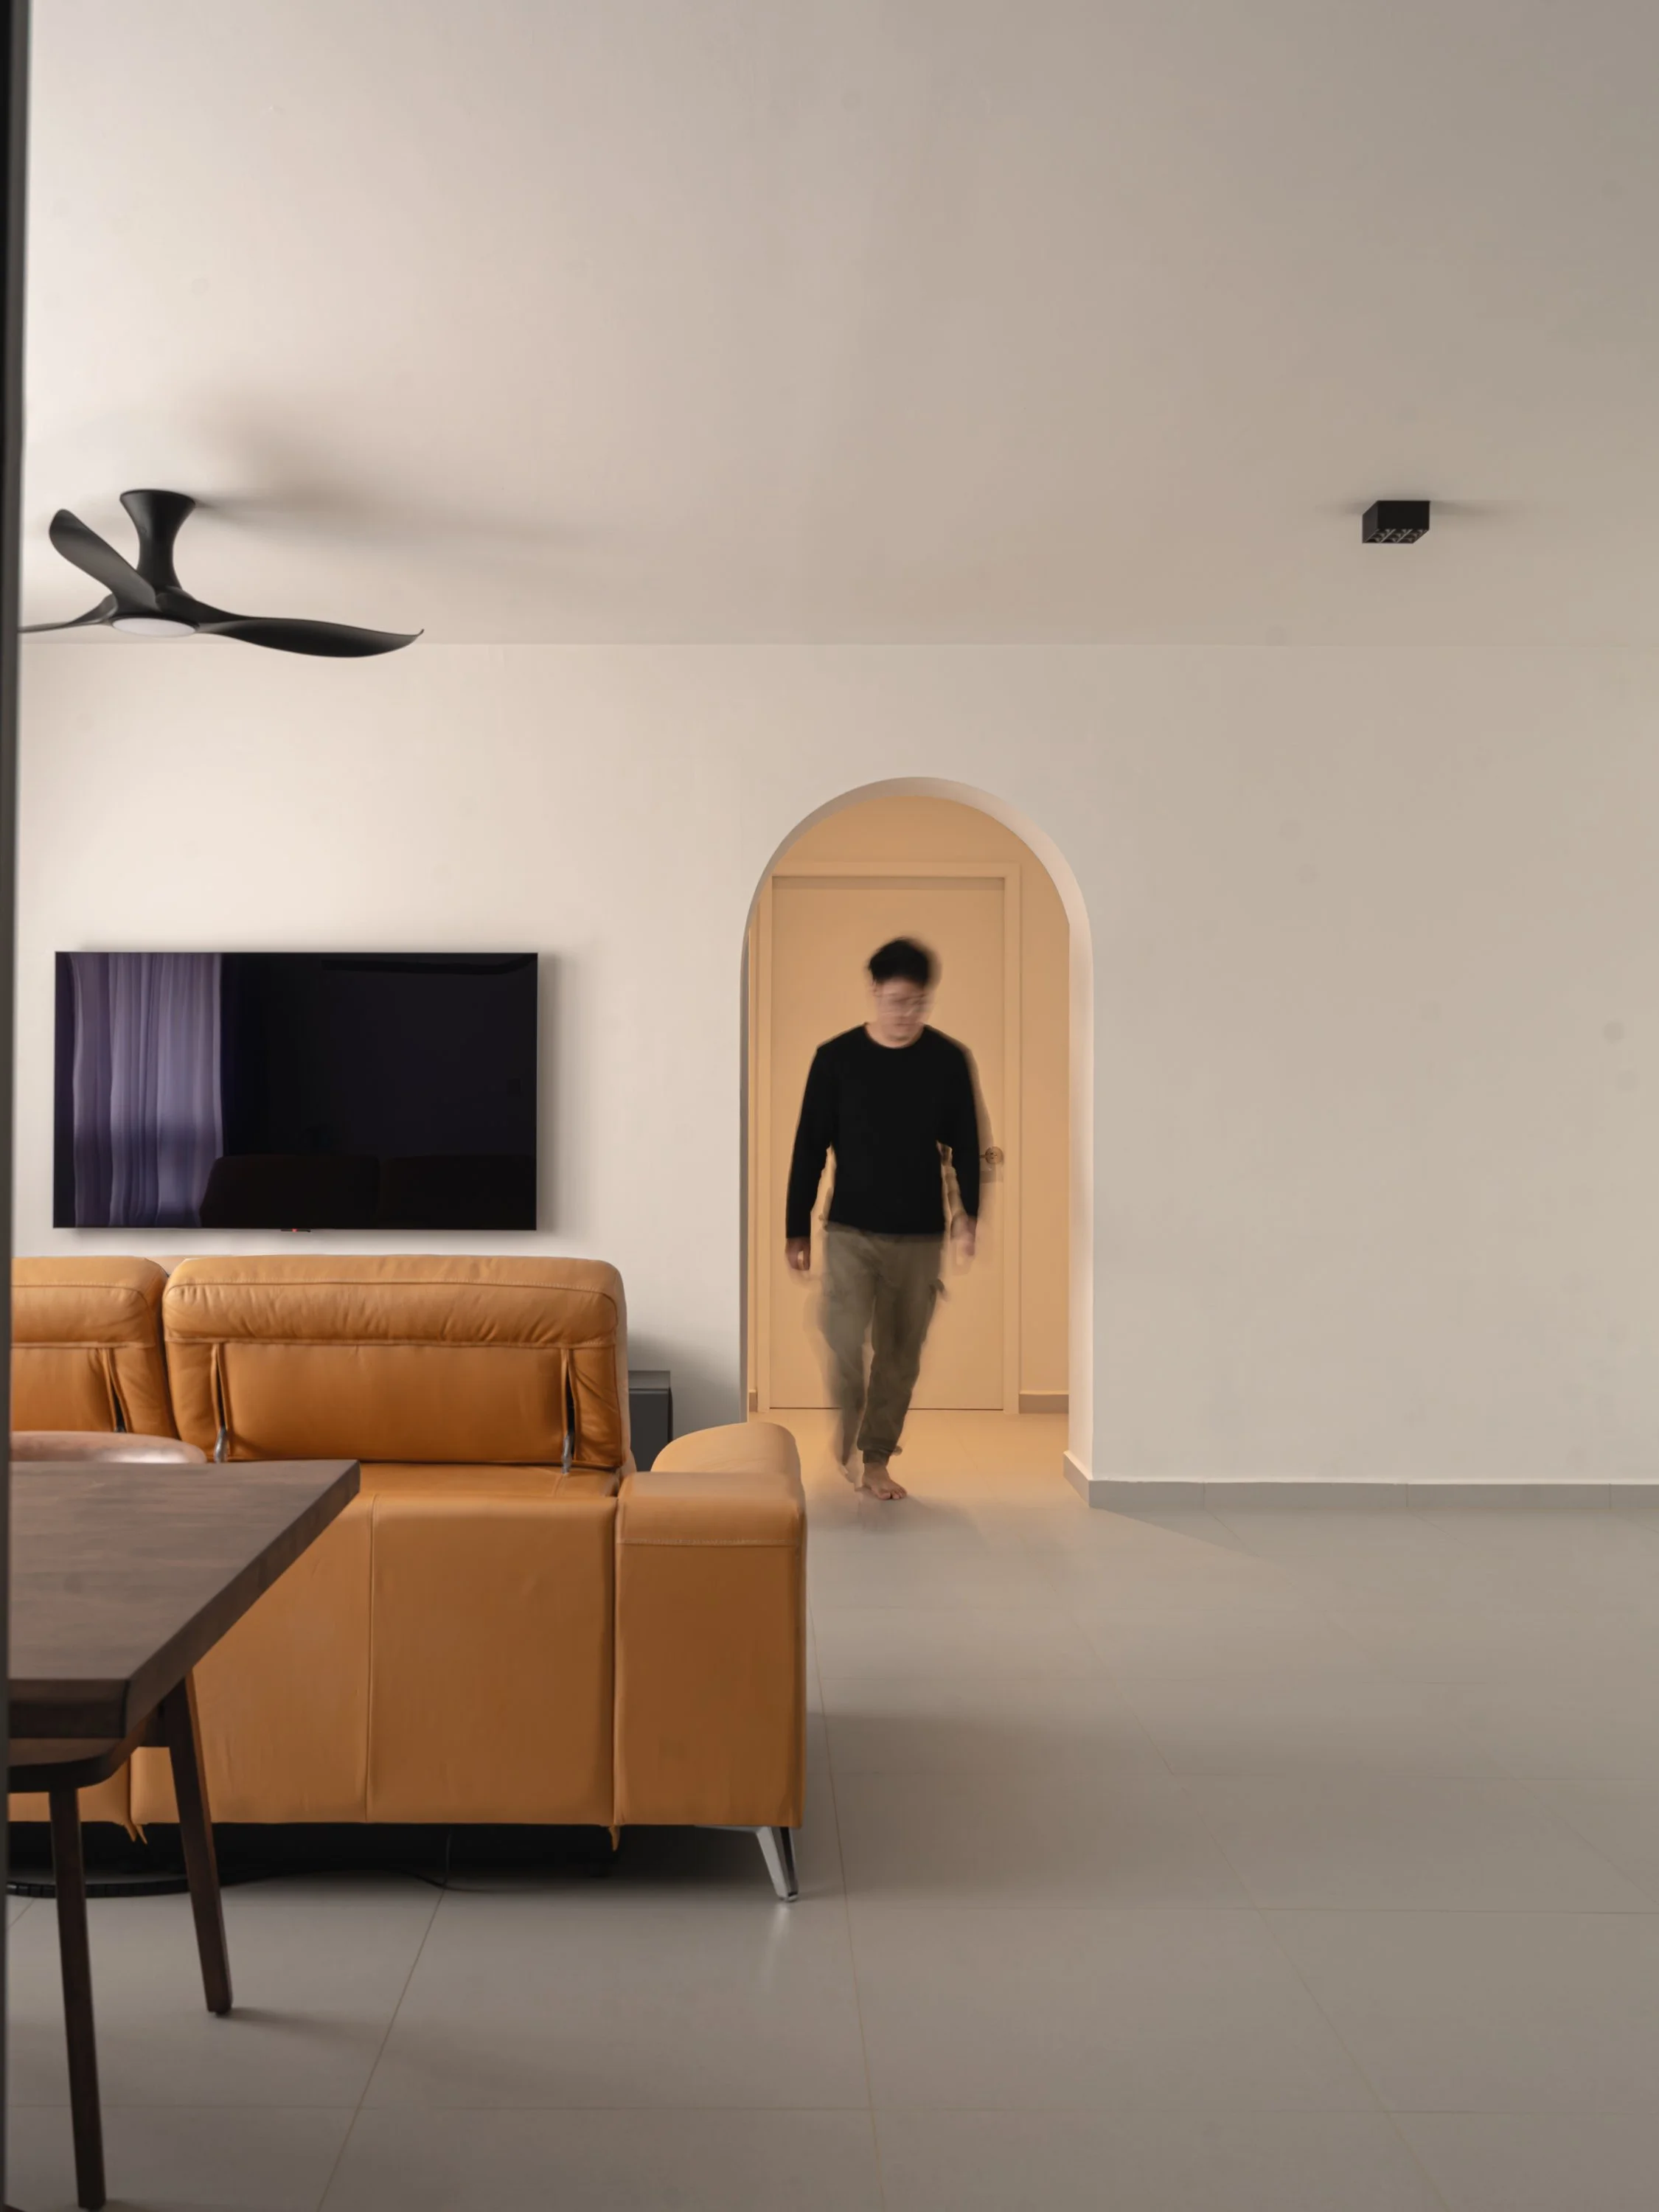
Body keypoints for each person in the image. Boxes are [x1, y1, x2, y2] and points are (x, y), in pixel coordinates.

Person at [785, 936, 981, 1500]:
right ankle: (852, 1431)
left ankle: (875, 1459)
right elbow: (809, 1147)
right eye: (897, 1002)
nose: (907, 1015)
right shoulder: (836, 1059)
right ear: (875, 992)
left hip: (919, 1235)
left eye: (918, 1003)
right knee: (845, 1339)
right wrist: (796, 1226)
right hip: (850, 1229)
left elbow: (967, 1142)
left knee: (899, 1355)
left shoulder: (947, 1061)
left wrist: (967, 1213)